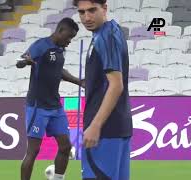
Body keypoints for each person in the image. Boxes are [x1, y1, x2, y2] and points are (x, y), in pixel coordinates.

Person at [17, 17, 84, 180]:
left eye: (72, 38)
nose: (69, 41)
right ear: (60, 30)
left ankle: (57, 178)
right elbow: (22, 60)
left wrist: (79, 82)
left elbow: (59, 71)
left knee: (66, 146)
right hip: (37, 107)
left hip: (55, 106)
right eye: (69, 37)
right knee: (33, 151)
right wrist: (25, 62)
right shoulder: (41, 45)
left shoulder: (60, 50)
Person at [73, 0, 133, 179]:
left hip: (104, 131)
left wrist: (95, 125)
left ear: (105, 8)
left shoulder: (104, 37)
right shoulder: (112, 30)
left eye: (92, 10)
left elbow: (116, 85)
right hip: (119, 127)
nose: (86, 17)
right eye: (82, 12)